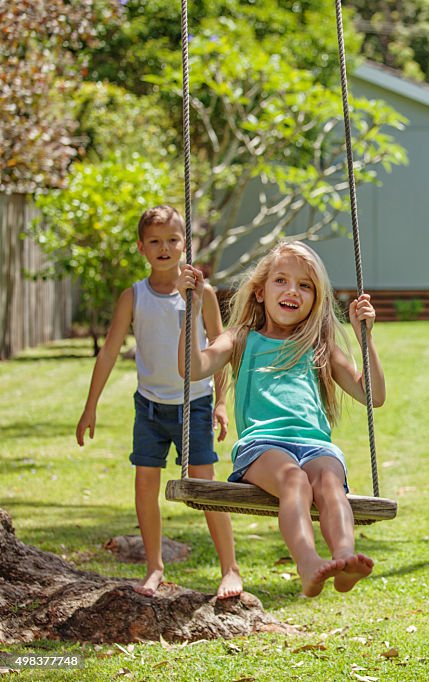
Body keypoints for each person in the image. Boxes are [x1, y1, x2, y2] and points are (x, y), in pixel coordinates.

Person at [176, 241, 384, 597]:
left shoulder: (318, 343)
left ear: (316, 299)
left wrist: (366, 337)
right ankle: (307, 564)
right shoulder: (241, 338)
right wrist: (191, 310)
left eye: (305, 286)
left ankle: (345, 559)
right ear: (259, 291)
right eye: (281, 281)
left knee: (331, 486)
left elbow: (373, 396)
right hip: (262, 447)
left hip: (316, 446)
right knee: (295, 482)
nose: (293, 291)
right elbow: (192, 368)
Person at [76, 205, 242, 599]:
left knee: (205, 487)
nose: (164, 248)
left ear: (185, 245)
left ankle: (230, 568)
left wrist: (220, 402)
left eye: (172, 240)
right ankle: (154, 566)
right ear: (141, 247)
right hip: (149, 407)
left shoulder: (201, 293)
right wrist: (91, 405)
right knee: (145, 484)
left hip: (194, 405)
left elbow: (220, 347)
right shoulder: (133, 297)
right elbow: (109, 352)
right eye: (155, 241)